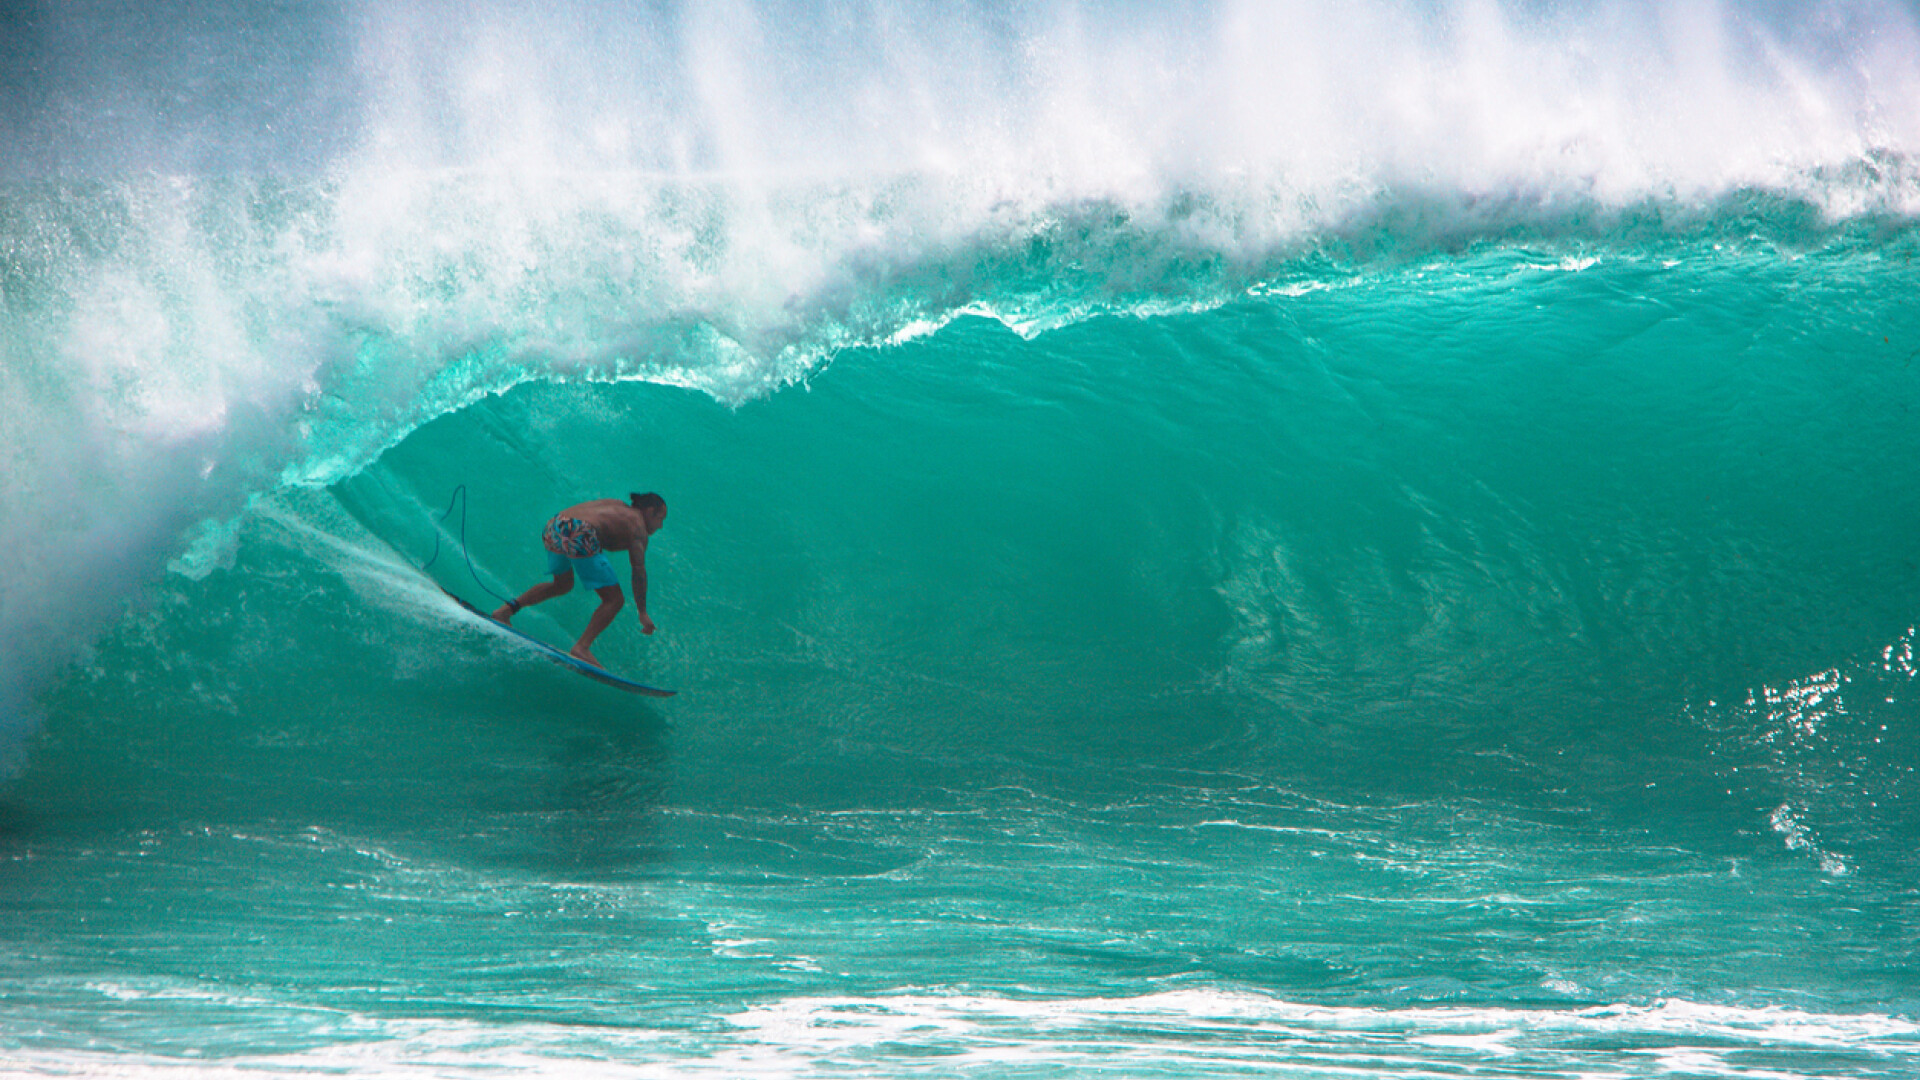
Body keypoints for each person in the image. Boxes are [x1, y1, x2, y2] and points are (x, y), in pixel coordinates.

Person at [493, 493, 666, 670]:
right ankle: (581, 648)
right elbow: (638, 571)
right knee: (614, 600)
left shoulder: (617, 505)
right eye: (660, 519)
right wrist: (642, 612)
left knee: (562, 585)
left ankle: (505, 611)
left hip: (555, 525)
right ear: (650, 511)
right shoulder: (638, 527)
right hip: (580, 530)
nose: (660, 526)